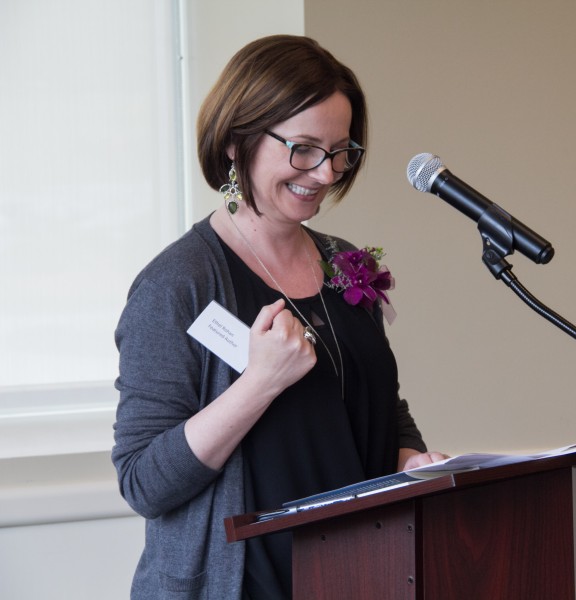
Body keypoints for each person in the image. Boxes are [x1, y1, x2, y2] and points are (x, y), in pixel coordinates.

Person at [112, 35, 446, 599]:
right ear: (238, 141)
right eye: (304, 148)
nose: (324, 173)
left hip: (358, 578)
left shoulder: (345, 262)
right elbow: (144, 481)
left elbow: (379, 409)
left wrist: (412, 458)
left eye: (341, 151)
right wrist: (260, 383)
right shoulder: (178, 285)